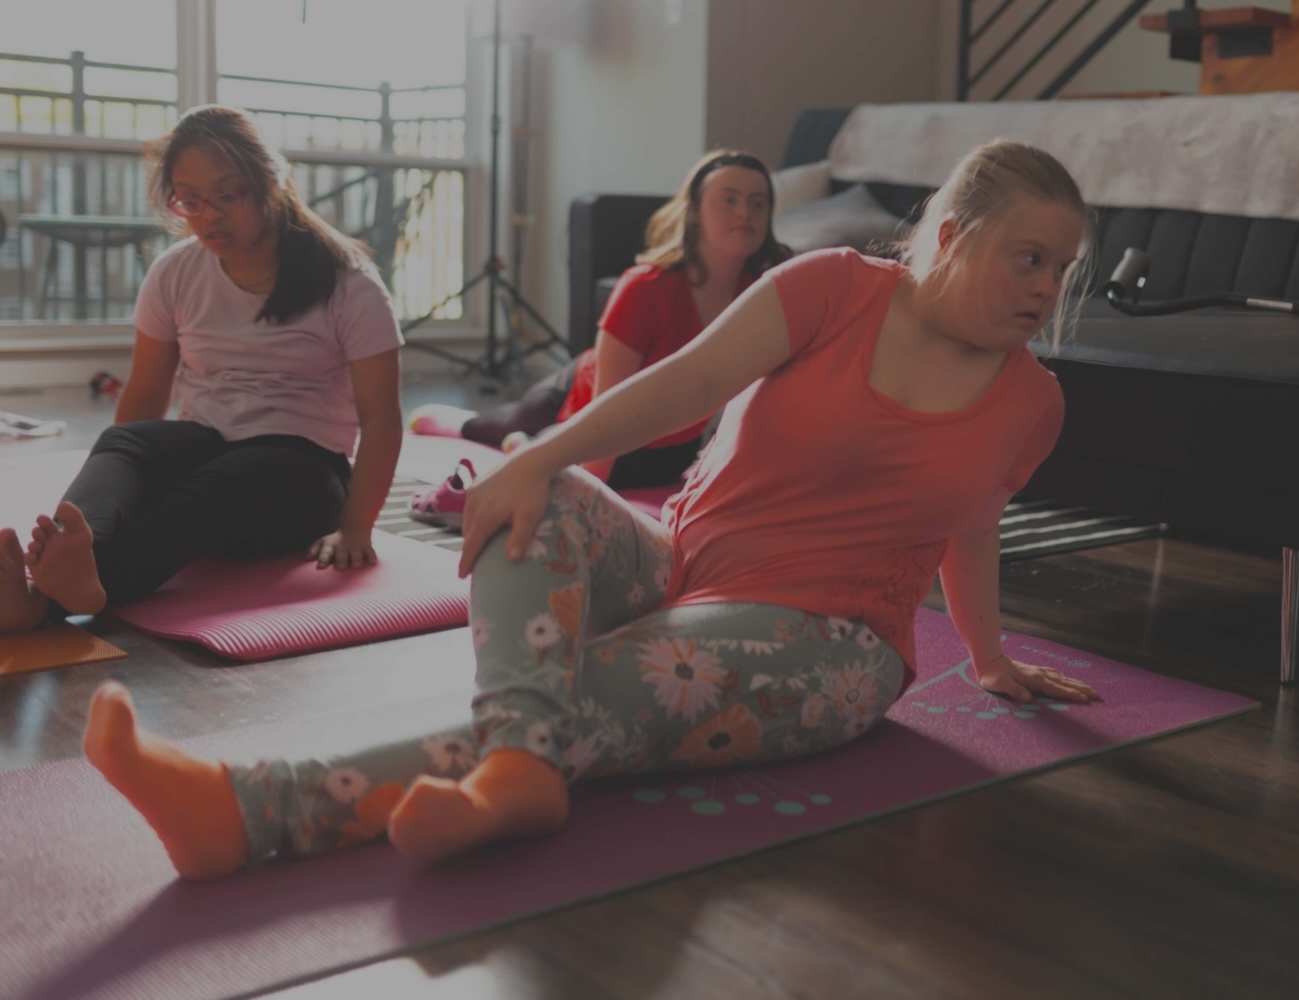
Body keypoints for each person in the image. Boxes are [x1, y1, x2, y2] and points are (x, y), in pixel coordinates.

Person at [80, 139, 1102, 879]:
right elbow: (688, 381)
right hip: (680, 565)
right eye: (1029, 258)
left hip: (833, 643)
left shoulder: (1033, 401)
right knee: (536, 493)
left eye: (1063, 268)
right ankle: (521, 764)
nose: (1047, 288)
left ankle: (249, 809)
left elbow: (973, 521)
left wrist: (988, 655)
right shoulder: (836, 288)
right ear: (957, 235)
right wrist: (540, 458)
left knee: (612, 683)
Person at [0, 105, 404, 634]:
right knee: (125, 442)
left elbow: (381, 418)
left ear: (271, 182)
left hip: (303, 466)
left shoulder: (349, 283)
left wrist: (357, 527)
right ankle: (77, 555)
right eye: (188, 199)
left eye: (227, 196)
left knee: (212, 486)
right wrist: (128, 468)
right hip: (206, 440)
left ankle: (45, 601)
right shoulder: (175, 272)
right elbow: (144, 397)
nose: (207, 214)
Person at [407, 149, 792, 492]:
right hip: (588, 405)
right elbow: (607, 406)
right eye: (729, 200)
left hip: (666, 448)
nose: (745, 213)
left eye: (758, 204)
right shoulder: (645, 287)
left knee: (631, 471)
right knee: (509, 424)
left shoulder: (765, 295)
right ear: (694, 212)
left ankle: (534, 443)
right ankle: (470, 427)